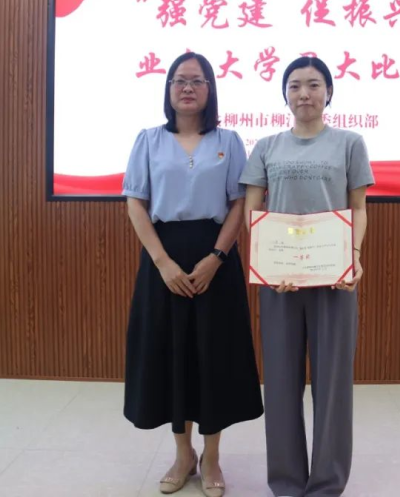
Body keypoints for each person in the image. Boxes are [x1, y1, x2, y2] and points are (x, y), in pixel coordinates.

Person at [122, 51, 264, 497]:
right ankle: (183, 454)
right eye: (179, 80)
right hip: (162, 259)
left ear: (209, 89)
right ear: (168, 89)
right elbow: (136, 203)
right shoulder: (148, 140)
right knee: (172, 353)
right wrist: (163, 263)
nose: (187, 87)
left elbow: (239, 203)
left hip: (215, 259)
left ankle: (213, 457)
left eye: (197, 80)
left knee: (213, 355)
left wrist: (217, 257)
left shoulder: (229, 140)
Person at [240, 56, 375, 497]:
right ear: (284, 94)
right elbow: (253, 211)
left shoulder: (350, 143)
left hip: (334, 279)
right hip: (279, 282)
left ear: (329, 92)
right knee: (281, 384)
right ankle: (286, 482)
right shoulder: (266, 147)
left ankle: (327, 483)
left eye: (314, 85)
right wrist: (268, 262)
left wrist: (353, 257)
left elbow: (358, 208)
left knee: (333, 385)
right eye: (295, 85)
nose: (304, 93)